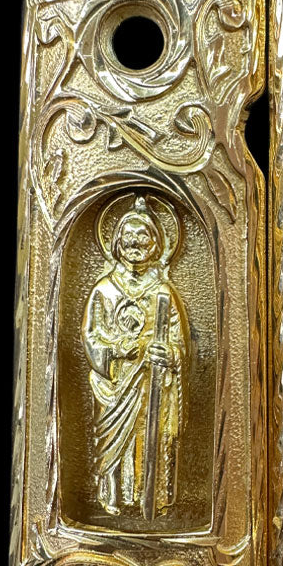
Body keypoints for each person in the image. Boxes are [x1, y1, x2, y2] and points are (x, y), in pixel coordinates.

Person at [83, 195, 190, 516]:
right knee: (114, 442)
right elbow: (90, 336)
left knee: (151, 436)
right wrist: (115, 350)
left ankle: (150, 497)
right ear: (117, 243)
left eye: (142, 236)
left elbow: (178, 342)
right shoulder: (104, 290)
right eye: (128, 236)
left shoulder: (163, 292)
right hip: (115, 384)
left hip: (149, 381)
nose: (134, 243)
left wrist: (168, 353)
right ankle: (113, 495)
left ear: (156, 244)